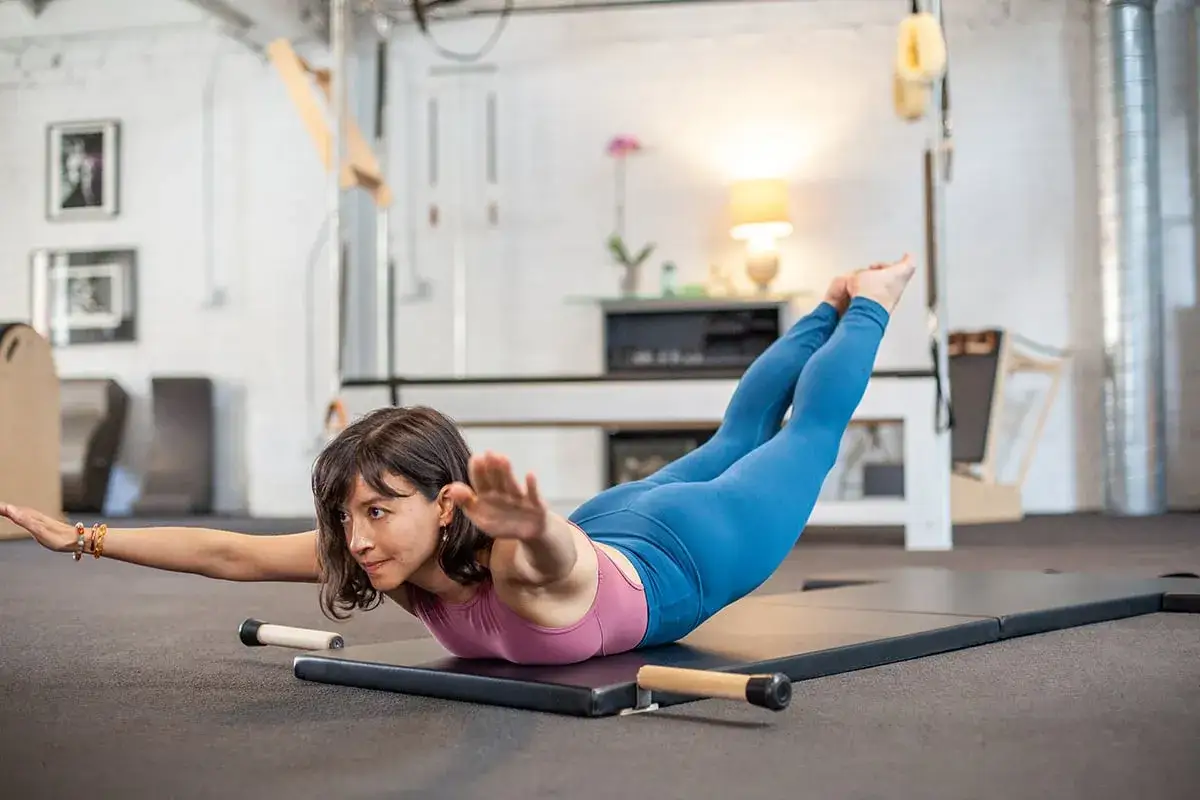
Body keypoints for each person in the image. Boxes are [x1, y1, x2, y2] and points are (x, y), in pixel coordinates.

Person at [0, 255, 916, 666]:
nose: (355, 539)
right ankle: (821, 307)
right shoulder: (393, 559)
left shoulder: (513, 560)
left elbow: (548, 561)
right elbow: (231, 553)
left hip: (695, 552)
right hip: (612, 528)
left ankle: (870, 299)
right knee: (734, 432)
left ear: (447, 504)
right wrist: (80, 535)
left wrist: (540, 525)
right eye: (346, 515)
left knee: (801, 438)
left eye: (376, 510)